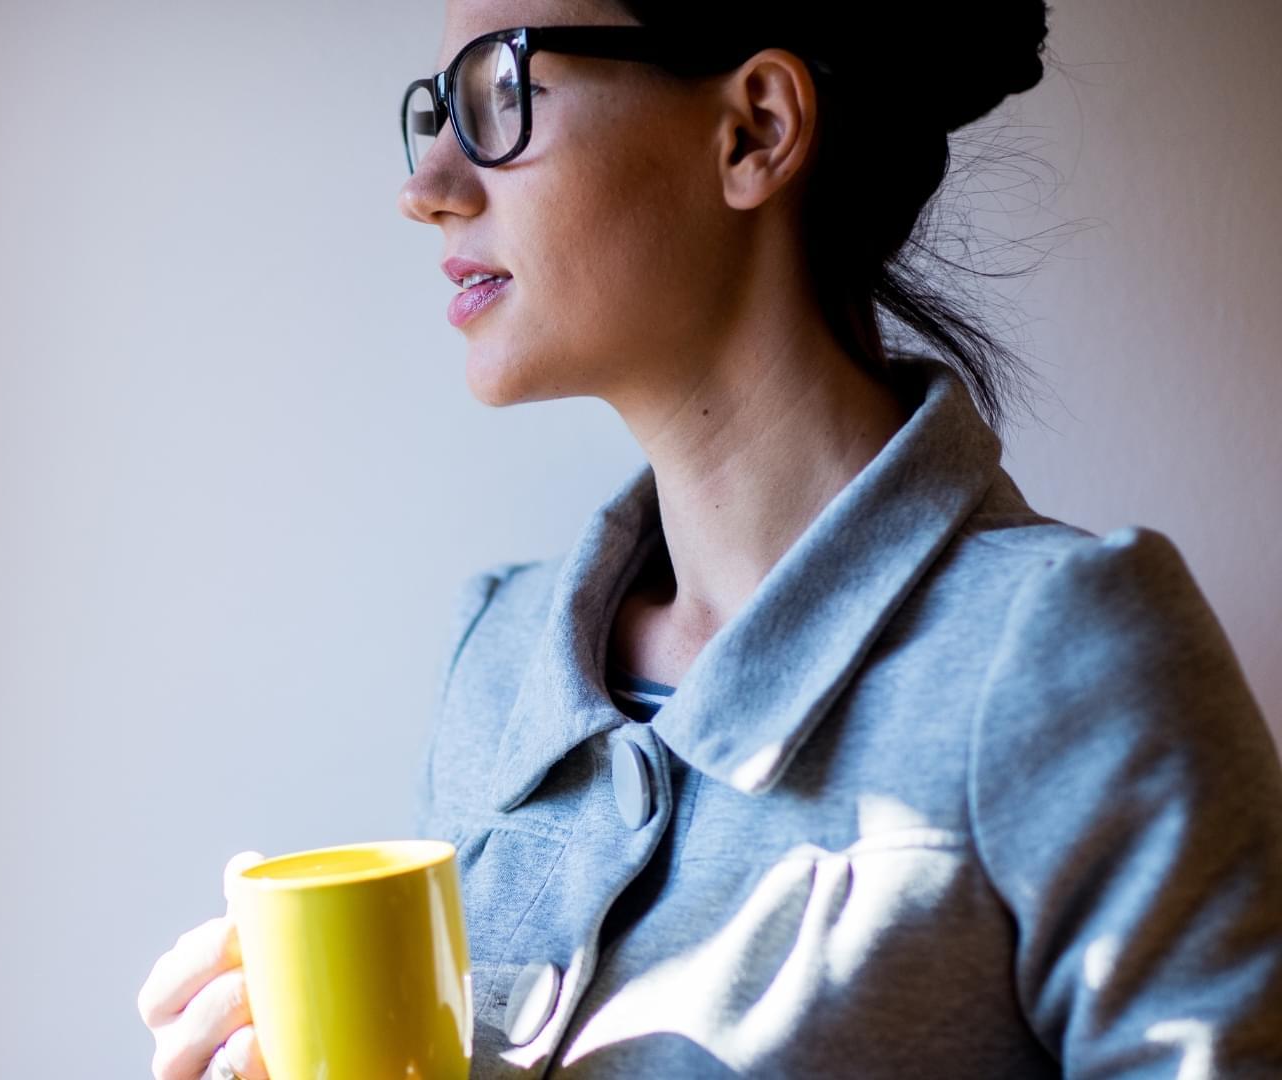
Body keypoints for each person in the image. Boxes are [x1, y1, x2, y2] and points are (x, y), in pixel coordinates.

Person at [137, 2, 1282, 1077]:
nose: (426, 186)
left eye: (501, 92)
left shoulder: (1068, 657)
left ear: (755, 130)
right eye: (437, 112)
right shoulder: (496, 661)